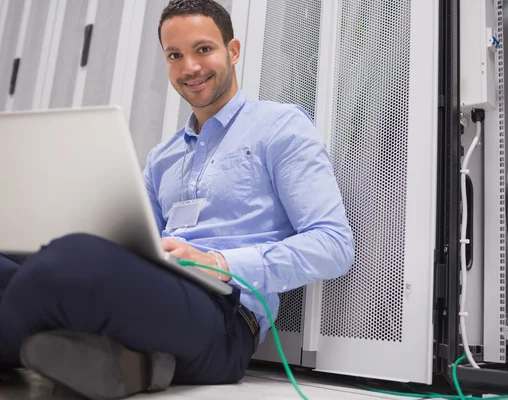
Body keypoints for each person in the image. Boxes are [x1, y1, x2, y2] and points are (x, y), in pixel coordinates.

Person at [0, 0, 354, 399]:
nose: (190, 68)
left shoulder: (280, 127)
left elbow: (334, 245)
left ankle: (46, 334)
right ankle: (91, 349)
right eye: (175, 55)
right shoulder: (162, 158)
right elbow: (130, 249)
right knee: (23, 262)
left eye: (203, 49)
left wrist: (218, 264)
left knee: (69, 262)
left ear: (232, 51)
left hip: (224, 321)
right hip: (158, 293)